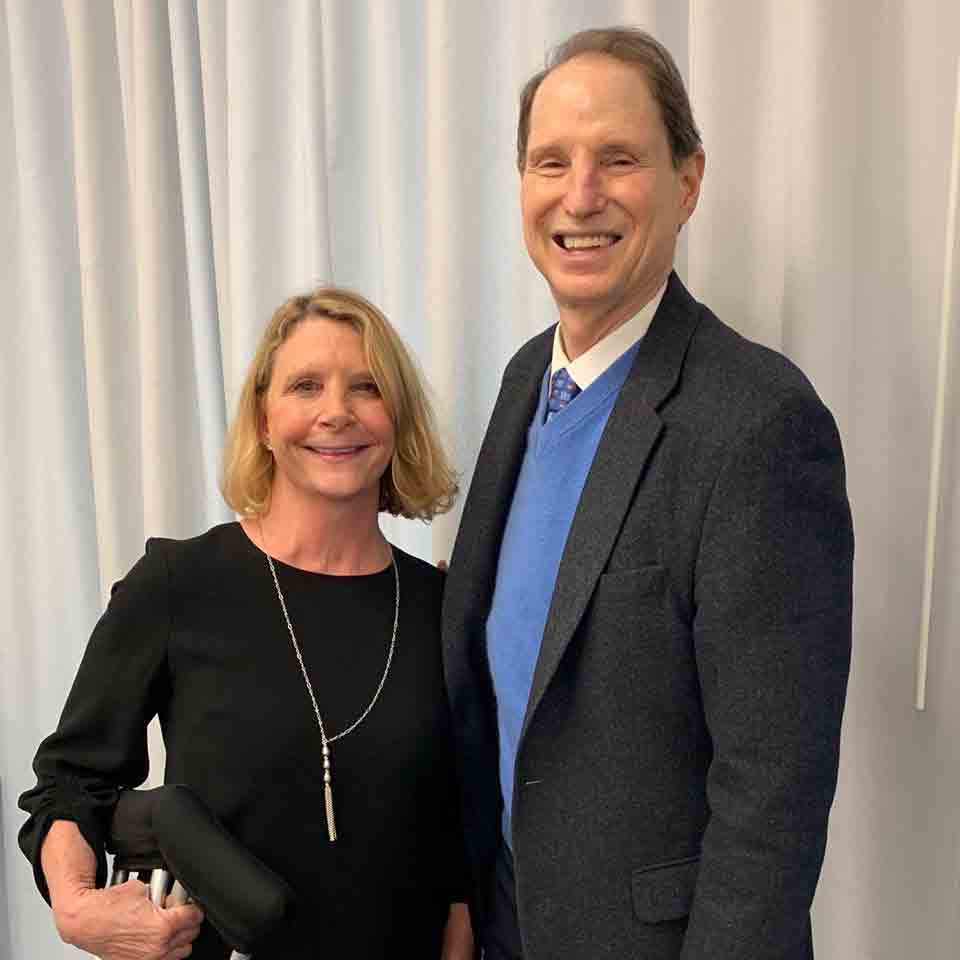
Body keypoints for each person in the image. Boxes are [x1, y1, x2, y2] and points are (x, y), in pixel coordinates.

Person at [442, 26, 853, 960]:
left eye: (618, 159)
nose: (580, 194)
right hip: (505, 926)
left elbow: (772, 797)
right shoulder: (523, 382)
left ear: (688, 182)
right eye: (551, 161)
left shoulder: (758, 423)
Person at [20, 287, 474, 959]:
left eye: (367, 387)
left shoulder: (444, 606)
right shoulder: (177, 584)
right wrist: (78, 909)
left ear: (397, 418)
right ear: (263, 419)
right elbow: (68, 784)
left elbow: (459, 845)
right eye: (305, 386)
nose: (336, 412)